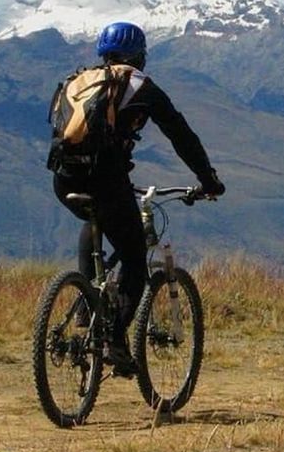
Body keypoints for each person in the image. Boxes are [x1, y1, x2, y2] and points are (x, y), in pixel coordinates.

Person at [52, 21, 225, 375]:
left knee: (94, 218)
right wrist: (208, 180)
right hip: (106, 180)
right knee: (133, 257)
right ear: (140, 55)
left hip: (64, 177)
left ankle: (86, 307)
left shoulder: (80, 80)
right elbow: (181, 134)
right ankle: (115, 339)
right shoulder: (140, 86)